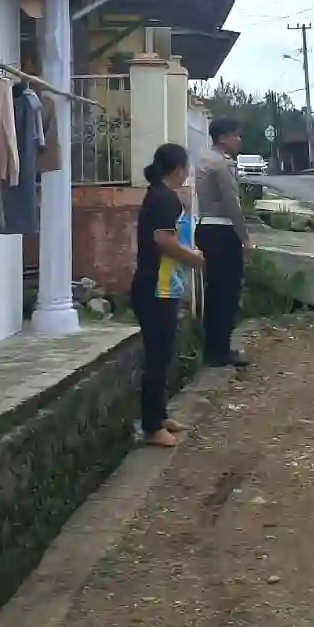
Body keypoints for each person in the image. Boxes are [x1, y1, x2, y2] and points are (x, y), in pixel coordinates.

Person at [130, 143, 207, 447]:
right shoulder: (164, 199)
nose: (187, 173)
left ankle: (160, 416)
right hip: (155, 288)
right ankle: (151, 427)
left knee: (163, 354)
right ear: (177, 168)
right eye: (186, 167)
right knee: (157, 356)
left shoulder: (161, 195)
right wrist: (193, 258)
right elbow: (164, 240)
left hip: (162, 286)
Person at [194, 117, 252, 368]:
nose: (238, 140)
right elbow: (232, 203)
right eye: (235, 135)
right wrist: (245, 237)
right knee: (227, 293)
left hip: (205, 226)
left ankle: (213, 349)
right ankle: (221, 351)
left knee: (214, 292)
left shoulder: (203, 159)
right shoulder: (223, 164)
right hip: (223, 231)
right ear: (223, 138)